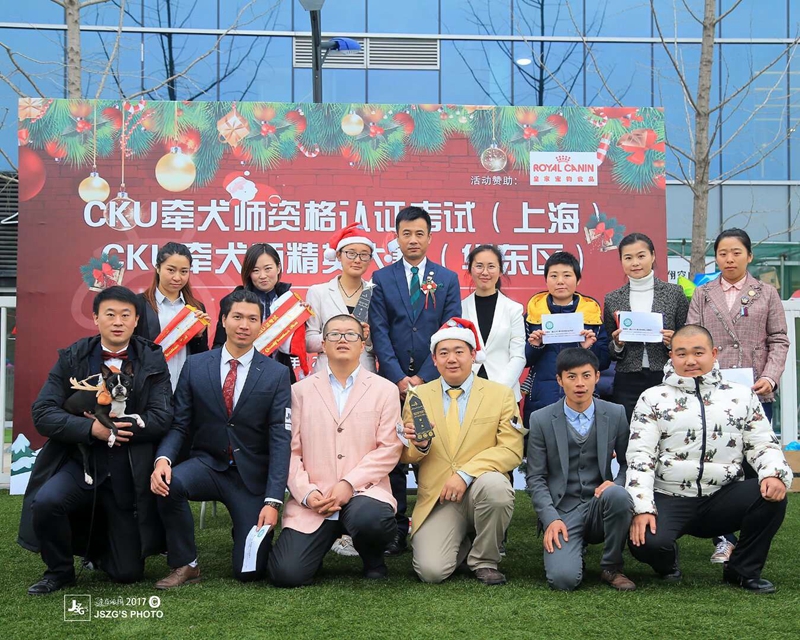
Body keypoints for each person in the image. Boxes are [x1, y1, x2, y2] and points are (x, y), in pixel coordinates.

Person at [19, 286, 173, 595]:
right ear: (95, 318)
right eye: (110, 314)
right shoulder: (73, 356)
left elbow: (162, 416)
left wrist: (118, 429)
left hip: (128, 469)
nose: (118, 322)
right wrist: (91, 429)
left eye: (125, 315)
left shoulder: (152, 359)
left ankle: (99, 550)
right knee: (47, 502)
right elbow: (43, 412)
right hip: (79, 460)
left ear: (136, 320)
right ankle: (59, 571)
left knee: (127, 573)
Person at [626, 325, 792, 594]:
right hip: (669, 495)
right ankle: (667, 562)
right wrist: (642, 507)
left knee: (772, 495)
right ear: (671, 356)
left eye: (698, 352)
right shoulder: (652, 398)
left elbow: (762, 442)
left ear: (714, 353)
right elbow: (640, 456)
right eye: (682, 354)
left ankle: (742, 571)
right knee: (644, 542)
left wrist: (774, 473)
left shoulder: (741, 395)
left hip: (723, 495)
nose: (690, 360)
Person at [150, 289, 292, 587]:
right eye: (237, 317)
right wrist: (163, 459)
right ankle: (186, 563)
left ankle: (244, 526)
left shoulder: (276, 374)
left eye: (252, 319)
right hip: (207, 465)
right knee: (168, 483)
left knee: (249, 572)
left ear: (261, 324)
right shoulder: (196, 365)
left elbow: (280, 439)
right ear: (224, 320)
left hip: (250, 476)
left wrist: (273, 501)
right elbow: (180, 424)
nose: (244, 325)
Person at [269, 315, 403, 586]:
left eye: (351, 334)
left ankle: (373, 558)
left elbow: (389, 448)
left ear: (363, 344)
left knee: (371, 519)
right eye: (334, 335)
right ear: (323, 344)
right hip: (316, 499)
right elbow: (290, 451)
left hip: (364, 493)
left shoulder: (385, 390)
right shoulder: (299, 391)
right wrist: (307, 493)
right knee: (286, 574)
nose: (343, 339)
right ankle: (314, 553)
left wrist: (349, 483)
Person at [687, 228, 790, 564]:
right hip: (713, 394)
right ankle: (723, 539)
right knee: (719, 465)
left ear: (749, 256)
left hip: (756, 392)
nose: (729, 259)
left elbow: (779, 339)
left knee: (756, 465)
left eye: (735, 253)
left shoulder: (767, 293)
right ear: (715, 258)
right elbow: (693, 339)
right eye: (722, 253)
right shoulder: (703, 294)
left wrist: (770, 378)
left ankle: (751, 541)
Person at [400, 318, 524, 586]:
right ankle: (465, 541)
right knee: (431, 572)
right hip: (439, 497)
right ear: (434, 360)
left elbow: (511, 450)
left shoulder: (501, 395)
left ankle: (485, 560)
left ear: (473, 355)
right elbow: (405, 454)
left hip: (481, 486)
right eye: (444, 353)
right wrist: (420, 446)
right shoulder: (418, 395)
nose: (452, 359)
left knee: (496, 488)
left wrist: (465, 474)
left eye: (459, 351)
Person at [369, 206, 462, 555]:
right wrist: (397, 377)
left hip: (433, 380)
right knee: (393, 450)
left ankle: (432, 520)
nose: (412, 240)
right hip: (390, 382)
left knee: (431, 446)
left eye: (419, 233)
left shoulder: (447, 278)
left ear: (430, 237)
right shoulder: (381, 278)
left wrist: (423, 375)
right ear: (396, 237)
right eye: (406, 234)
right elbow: (379, 330)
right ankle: (395, 526)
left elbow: (450, 329)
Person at [526, 348, 635, 591]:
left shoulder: (615, 413)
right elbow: (535, 477)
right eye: (571, 376)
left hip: (600, 503)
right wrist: (550, 519)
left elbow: (629, 463)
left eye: (586, 376)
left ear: (597, 377)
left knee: (618, 494)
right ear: (559, 380)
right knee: (563, 580)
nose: (580, 384)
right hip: (562, 510)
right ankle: (575, 552)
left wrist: (616, 483)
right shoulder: (541, 419)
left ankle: (612, 566)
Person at [603, 232, 689, 422]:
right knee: (628, 431)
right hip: (627, 379)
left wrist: (673, 342)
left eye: (641, 256)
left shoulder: (674, 293)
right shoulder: (612, 299)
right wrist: (617, 344)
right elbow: (610, 348)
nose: (635, 263)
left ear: (653, 256)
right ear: (621, 261)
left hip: (666, 374)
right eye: (628, 258)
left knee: (668, 429)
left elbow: (687, 335)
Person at [523, 251, 609, 429]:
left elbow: (605, 361)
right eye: (554, 276)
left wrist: (589, 349)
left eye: (567, 275)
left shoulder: (592, 315)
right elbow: (524, 360)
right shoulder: (532, 316)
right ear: (546, 280)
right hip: (542, 396)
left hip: (582, 398)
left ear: (578, 280)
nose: (560, 281)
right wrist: (535, 346)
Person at [135, 242, 211, 392]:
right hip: (149, 388)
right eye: (171, 270)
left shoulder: (196, 308)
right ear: (158, 268)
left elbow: (201, 356)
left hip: (185, 390)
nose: (177, 277)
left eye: (184, 271)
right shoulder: (139, 304)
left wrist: (199, 336)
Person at [212, 243, 297, 378]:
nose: (262, 276)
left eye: (268, 269)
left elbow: (296, 347)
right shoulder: (233, 302)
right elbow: (219, 344)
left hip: (280, 375)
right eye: (256, 270)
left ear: (278, 267)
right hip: (242, 376)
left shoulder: (289, 301)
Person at [306, 223, 377, 373]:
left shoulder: (374, 292)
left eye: (364, 255)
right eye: (351, 253)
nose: (357, 260)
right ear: (338, 255)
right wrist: (337, 334)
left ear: (370, 259)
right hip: (326, 373)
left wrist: (367, 337)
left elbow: (382, 344)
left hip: (365, 373)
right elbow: (308, 342)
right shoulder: (319, 292)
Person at [461, 244, 525, 400]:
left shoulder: (514, 309)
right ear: (470, 270)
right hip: (467, 392)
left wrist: (498, 390)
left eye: (491, 266)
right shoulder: (460, 308)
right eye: (479, 266)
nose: (485, 272)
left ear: (500, 270)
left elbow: (518, 357)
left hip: (505, 393)